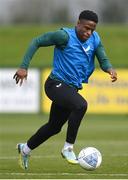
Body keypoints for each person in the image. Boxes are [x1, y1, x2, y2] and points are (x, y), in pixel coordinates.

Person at [13, 10, 117, 169]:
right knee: (81, 105)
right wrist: (23, 67)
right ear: (78, 23)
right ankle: (68, 148)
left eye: (92, 29)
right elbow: (37, 41)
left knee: (54, 127)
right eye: (86, 28)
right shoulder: (64, 36)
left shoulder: (95, 39)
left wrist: (109, 69)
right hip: (55, 84)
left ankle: (25, 149)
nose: (89, 32)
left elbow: (102, 57)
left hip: (71, 89)